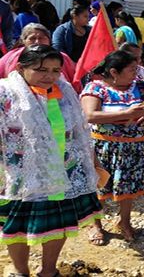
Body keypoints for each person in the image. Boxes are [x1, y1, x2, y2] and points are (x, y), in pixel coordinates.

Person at [0, 45, 101, 277]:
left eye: (56, 70)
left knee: (58, 223)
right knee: (14, 225)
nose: (50, 76)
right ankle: (20, 271)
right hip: (18, 174)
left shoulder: (64, 93)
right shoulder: (4, 92)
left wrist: (90, 162)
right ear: (21, 68)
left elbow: (79, 131)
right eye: (41, 69)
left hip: (61, 171)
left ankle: (48, 271)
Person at [81, 50, 144, 243]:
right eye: (132, 69)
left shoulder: (141, 86)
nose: (136, 72)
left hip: (134, 149)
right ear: (114, 72)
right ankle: (95, 225)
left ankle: (124, 222)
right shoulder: (96, 88)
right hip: (104, 149)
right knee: (99, 188)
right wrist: (127, 113)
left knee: (128, 188)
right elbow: (90, 115)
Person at [0, 23, 79, 90]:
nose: (37, 42)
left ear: (49, 40)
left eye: (41, 38)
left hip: (55, 98)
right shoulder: (10, 57)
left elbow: (75, 80)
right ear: (23, 41)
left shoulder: (62, 57)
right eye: (32, 38)